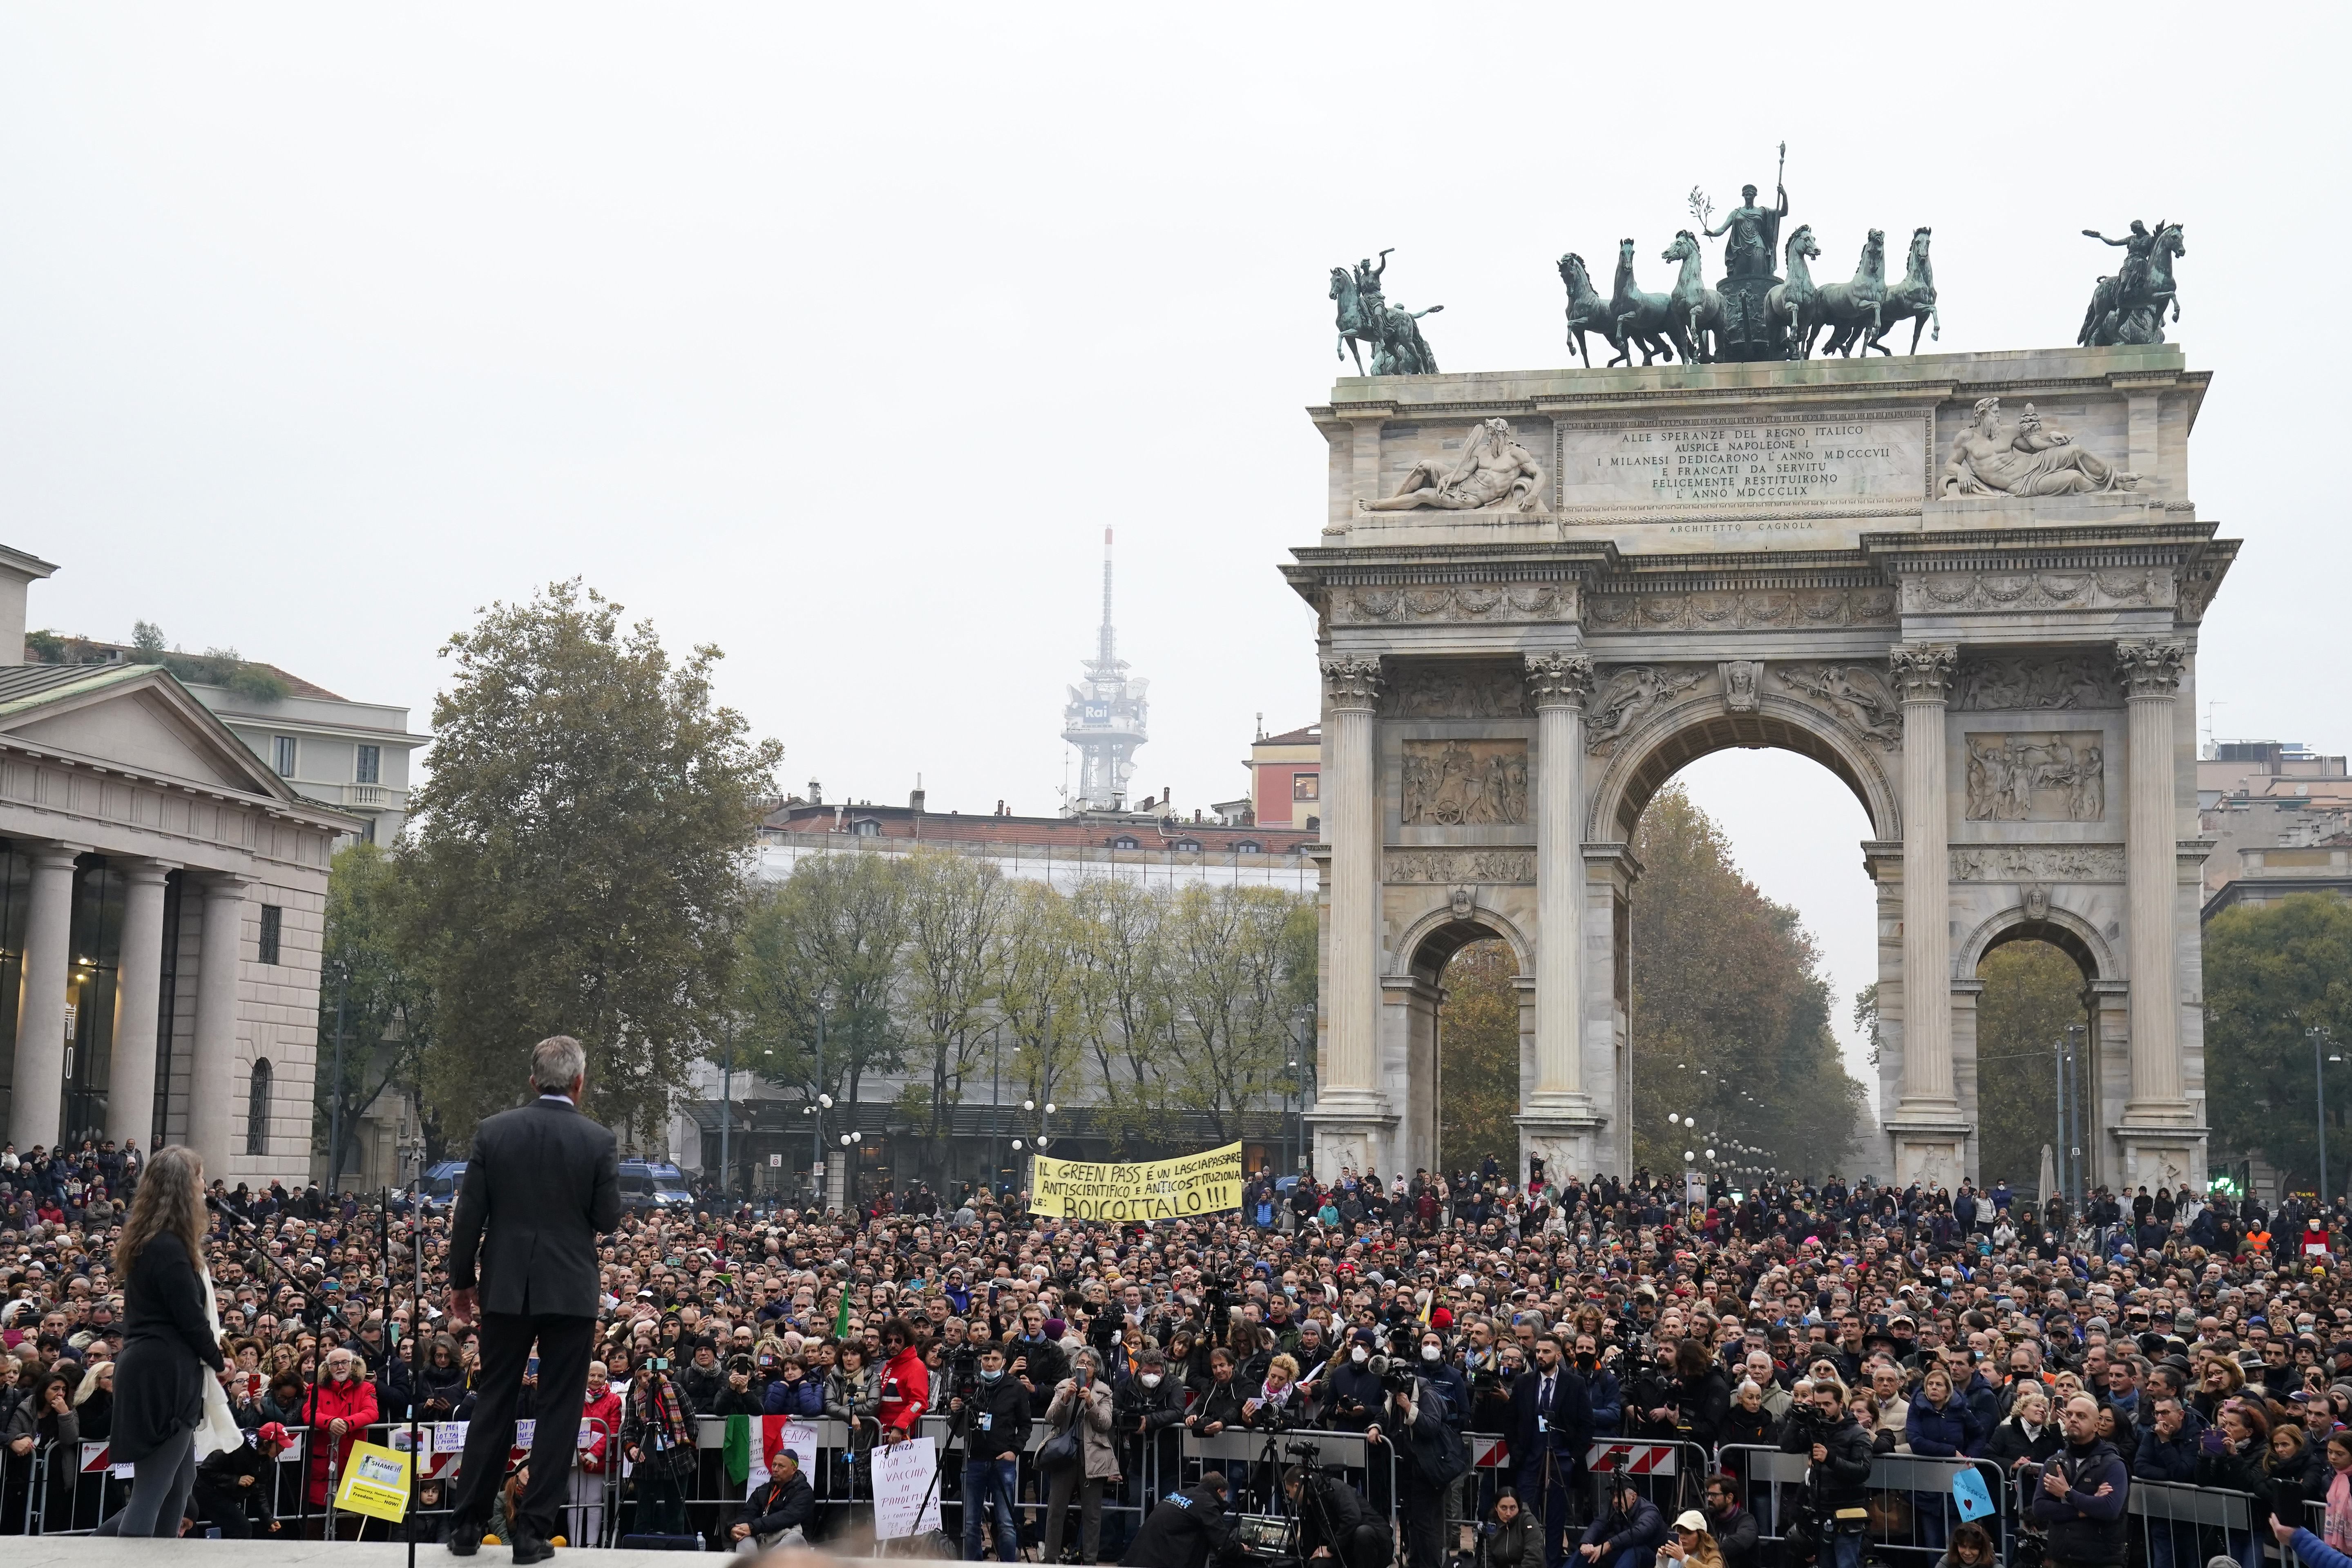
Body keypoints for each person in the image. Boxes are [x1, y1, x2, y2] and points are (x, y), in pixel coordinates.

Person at [444, 1034, 622, 1564]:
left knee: (494, 1401)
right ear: (579, 1082)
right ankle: (533, 1534)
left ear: (532, 1080)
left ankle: (467, 1527)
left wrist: (461, 1281)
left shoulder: (494, 1132)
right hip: (569, 1290)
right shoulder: (598, 1139)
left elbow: (468, 1216)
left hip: (505, 1286)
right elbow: (607, 1219)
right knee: (559, 1410)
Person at [93, 1144, 223, 1538]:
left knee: (178, 1487)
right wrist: (218, 1360)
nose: (205, 1185)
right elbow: (189, 1317)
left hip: (156, 1365)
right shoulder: (168, 1247)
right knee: (151, 1491)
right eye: (200, 1177)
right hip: (163, 1372)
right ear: (185, 1187)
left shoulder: (154, 1240)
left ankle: (159, 1556)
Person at [1512, 1333, 1591, 1568]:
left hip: (1561, 1460)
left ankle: (1553, 1564)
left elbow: (1587, 1423)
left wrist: (1575, 1457)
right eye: (1538, 1351)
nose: (1540, 1356)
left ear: (1558, 1355)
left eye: (1546, 1352)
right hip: (1530, 1460)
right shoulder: (1524, 1382)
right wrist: (1518, 1452)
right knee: (1527, 1517)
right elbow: (1511, 1420)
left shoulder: (1574, 1384)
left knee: (1556, 1519)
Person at [2029, 1395, 2129, 1568]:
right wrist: (2084, 1510)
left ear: (2097, 1425)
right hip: (2060, 1558)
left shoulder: (2113, 1464)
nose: (2073, 1420)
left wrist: (2067, 1494)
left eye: (2081, 1416)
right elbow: (2040, 1508)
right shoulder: (2055, 1462)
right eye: (2069, 1415)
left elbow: (2109, 1510)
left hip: (2101, 1561)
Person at [954, 1340, 1030, 1563]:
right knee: (970, 1524)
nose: (989, 1363)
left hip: (1003, 1461)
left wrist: (1015, 1451)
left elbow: (1026, 1424)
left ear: (1004, 1362)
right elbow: (958, 1428)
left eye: (995, 1359)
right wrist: (956, 1410)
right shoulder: (971, 1386)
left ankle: (1007, 1563)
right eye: (986, 1359)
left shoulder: (1015, 1387)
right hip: (974, 1461)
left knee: (1006, 1522)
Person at [1045, 1345, 1121, 1566]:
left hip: (1092, 1456)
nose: (1084, 1366)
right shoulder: (1062, 1387)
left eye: (1089, 1364)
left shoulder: (1104, 1391)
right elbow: (1051, 1418)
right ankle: (1050, 1558)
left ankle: (1090, 1561)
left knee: (1092, 1514)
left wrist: (1091, 1402)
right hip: (1064, 1454)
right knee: (1055, 1510)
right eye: (1081, 1362)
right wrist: (1066, 1398)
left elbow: (1105, 1424)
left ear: (1096, 1369)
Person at [192, 1420, 292, 1537]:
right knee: (242, 1528)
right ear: (266, 1443)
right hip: (207, 1493)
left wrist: (268, 1518)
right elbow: (205, 1471)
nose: (283, 1449)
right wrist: (236, 1480)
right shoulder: (235, 1446)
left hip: (229, 1497)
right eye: (280, 1445)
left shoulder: (269, 1461)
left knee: (241, 1529)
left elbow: (260, 1490)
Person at [1122, 1469, 1235, 1568]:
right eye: (1224, 1496)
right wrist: (1239, 1548)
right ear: (1219, 1491)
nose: (1224, 1500)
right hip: (1163, 1560)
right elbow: (1222, 1542)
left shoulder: (1180, 1493)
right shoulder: (1206, 1504)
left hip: (1140, 1556)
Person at [1287, 1459, 1376, 1568]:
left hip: (1370, 1546)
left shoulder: (1334, 1488)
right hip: (1344, 1550)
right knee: (1317, 1565)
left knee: (1363, 1533)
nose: (1290, 1497)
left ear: (1297, 1486)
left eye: (1289, 1492)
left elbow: (1353, 1518)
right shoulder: (1310, 1504)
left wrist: (1331, 1549)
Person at [729, 1448, 814, 1552]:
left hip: (789, 1539)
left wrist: (752, 1527)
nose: (775, 1469)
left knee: (795, 1539)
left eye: (781, 1466)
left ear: (794, 1470)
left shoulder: (804, 1492)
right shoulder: (763, 1490)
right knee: (743, 1539)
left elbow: (787, 1517)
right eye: (774, 1465)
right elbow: (748, 1515)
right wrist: (733, 1529)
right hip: (763, 1539)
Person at [1577, 1470, 1666, 1568]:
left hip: (1652, 1557)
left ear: (1633, 1497)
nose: (1615, 1501)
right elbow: (1598, 1524)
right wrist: (1586, 1543)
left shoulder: (1649, 1510)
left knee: (1634, 1550)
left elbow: (1639, 1532)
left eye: (1620, 1496)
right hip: (1624, 1554)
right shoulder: (1615, 1509)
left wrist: (1609, 1545)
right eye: (1614, 1496)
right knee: (1590, 1549)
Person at [1700, 1474, 1758, 1568]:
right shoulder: (1708, 1515)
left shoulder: (1746, 1520)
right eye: (1708, 1494)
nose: (1709, 1499)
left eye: (1714, 1495)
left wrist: (1710, 1551)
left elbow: (1741, 1541)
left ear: (1730, 1498)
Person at [1657, 1509, 1723, 1568]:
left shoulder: (1712, 1556)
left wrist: (1684, 1559)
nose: (1682, 1537)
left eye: (1689, 1533)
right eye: (1680, 1532)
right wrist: (1662, 1564)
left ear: (1701, 1536)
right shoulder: (1671, 1555)